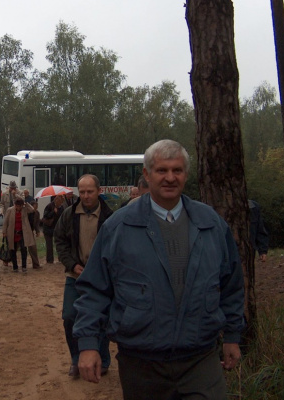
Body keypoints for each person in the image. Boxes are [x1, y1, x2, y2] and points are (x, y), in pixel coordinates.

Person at [73, 140, 245, 399]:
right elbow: (94, 290)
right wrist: (88, 345)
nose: (170, 178)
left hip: (200, 359)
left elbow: (231, 284)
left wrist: (232, 334)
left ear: (186, 175)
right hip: (141, 363)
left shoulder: (211, 225)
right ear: (147, 174)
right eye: (161, 170)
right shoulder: (119, 228)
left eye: (177, 170)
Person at [54, 174, 113, 378]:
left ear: (99, 191)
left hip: (101, 278)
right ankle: (76, 359)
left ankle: (103, 360)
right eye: (82, 192)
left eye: (90, 191)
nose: (86, 196)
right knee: (70, 317)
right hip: (74, 276)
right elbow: (59, 240)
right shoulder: (69, 214)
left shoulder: (110, 216)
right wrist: (71, 264)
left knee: (102, 320)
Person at [2, 197, 36, 272]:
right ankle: (15, 267)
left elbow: (32, 210)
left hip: (22, 233)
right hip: (12, 233)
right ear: (15, 205)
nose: (18, 207)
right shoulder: (10, 210)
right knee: (12, 250)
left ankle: (24, 266)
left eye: (20, 206)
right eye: (17, 206)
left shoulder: (24, 210)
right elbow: (5, 222)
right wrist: (4, 232)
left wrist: (26, 204)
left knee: (24, 249)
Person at [42, 194, 65, 264]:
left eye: (61, 202)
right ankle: (49, 260)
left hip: (56, 228)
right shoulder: (49, 206)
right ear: (56, 200)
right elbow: (45, 216)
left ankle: (60, 258)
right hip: (48, 228)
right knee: (49, 245)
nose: (60, 203)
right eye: (59, 201)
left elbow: (62, 216)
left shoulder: (61, 208)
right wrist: (53, 212)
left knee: (59, 243)